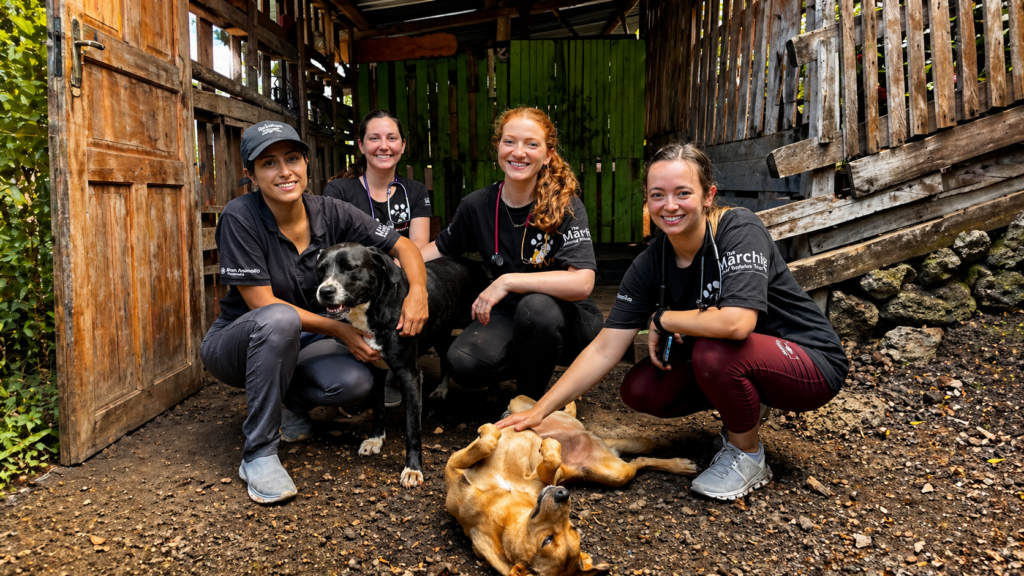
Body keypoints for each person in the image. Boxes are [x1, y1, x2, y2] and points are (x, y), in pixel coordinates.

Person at [497, 143, 849, 501]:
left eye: (683, 193)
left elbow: (738, 323)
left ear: (708, 195)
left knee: (713, 351)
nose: (670, 205)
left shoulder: (738, 228)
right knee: (641, 388)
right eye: (657, 195)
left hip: (810, 363)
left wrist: (663, 318)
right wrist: (540, 410)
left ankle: (747, 454)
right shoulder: (652, 262)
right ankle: (746, 405)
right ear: (647, 202)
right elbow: (605, 348)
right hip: (745, 358)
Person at [200, 120, 429, 505]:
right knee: (279, 319)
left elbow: (403, 247)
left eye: (292, 158)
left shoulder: (331, 211)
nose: (284, 171)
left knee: (354, 381)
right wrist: (340, 330)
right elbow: (262, 304)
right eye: (269, 163)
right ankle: (258, 453)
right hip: (238, 344)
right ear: (250, 174)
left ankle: (292, 402)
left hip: (306, 338)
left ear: (306, 163)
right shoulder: (240, 217)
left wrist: (417, 292)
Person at [420, 107, 603, 401]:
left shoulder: (566, 205)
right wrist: (396, 264)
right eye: (509, 142)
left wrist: (507, 281)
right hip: (510, 314)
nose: (519, 152)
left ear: (548, 155)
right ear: (498, 147)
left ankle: (528, 402)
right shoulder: (476, 205)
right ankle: (536, 362)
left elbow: (582, 283)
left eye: (532, 144)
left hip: (568, 319)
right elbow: (441, 248)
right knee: (462, 364)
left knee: (536, 307)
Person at [323, 110, 433, 408]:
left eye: (392, 138)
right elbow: (334, 250)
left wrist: (392, 272)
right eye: (374, 138)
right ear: (361, 145)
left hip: (397, 278)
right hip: (353, 282)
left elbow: (419, 244)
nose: (384, 146)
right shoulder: (340, 190)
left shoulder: (414, 191)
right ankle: (360, 369)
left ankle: (396, 368)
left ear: (403, 145)